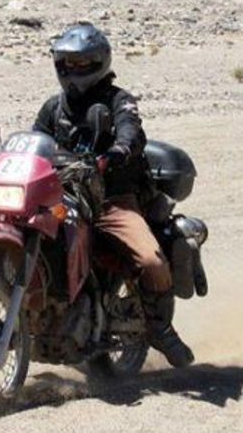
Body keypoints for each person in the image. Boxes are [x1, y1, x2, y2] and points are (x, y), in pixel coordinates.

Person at [33, 22, 194, 368]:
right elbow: (37, 141)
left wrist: (119, 150)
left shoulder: (119, 100)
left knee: (150, 259)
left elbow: (131, 132)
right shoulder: (54, 108)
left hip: (111, 199)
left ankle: (159, 327)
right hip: (64, 196)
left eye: (81, 64)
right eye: (66, 63)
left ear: (98, 63)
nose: (72, 71)